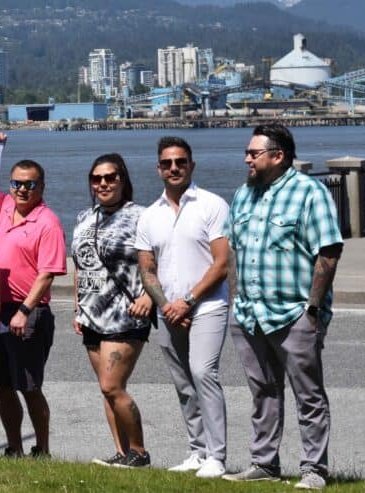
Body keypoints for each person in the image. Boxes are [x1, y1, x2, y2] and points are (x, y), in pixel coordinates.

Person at [221, 123, 343, 490]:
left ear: (278, 156)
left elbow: (329, 250)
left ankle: (314, 470)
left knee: (309, 395)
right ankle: (264, 463)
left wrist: (312, 309)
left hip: (294, 315)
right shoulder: (244, 193)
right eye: (247, 152)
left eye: (253, 153)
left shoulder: (310, 193)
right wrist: (236, 299)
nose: (247, 159)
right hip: (249, 315)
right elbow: (232, 249)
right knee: (262, 392)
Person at [136, 136, 230, 479]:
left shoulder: (212, 205)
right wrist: (167, 306)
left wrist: (188, 302)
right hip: (168, 311)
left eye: (180, 162)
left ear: (192, 165)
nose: (173, 168)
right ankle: (197, 450)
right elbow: (147, 269)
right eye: (167, 163)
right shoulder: (148, 216)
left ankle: (217, 456)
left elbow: (221, 264)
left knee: (204, 373)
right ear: (158, 168)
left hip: (207, 306)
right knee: (184, 384)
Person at [71, 153, 153, 468]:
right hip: (91, 315)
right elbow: (81, 262)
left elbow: (158, 262)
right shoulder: (83, 217)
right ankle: (122, 454)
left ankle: (140, 452)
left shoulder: (141, 216)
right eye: (97, 178)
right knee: (106, 391)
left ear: (122, 180)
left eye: (110, 177)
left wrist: (149, 296)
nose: (103, 183)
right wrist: (78, 304)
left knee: (112, 385)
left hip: (126, 315)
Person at [0, 158, 66, 458]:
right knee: (1, 385)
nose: (23, 189)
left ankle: (42, 449)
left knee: (29, 386)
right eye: (17, 183)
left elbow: (47, 274)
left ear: (41, 187)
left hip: (28, 312)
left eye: (30, 184)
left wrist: (24, 311)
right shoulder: (3, 207)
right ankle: (14, 446)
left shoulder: (48, 222)